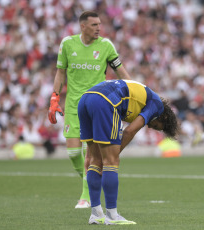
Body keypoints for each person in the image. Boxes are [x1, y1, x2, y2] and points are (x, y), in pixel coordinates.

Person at [48, 11, 131, 209]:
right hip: (73, 105)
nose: (98, 28)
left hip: (96, 105)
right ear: (82, 26)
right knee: (73, 153)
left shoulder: (106, 46)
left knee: (89, 153)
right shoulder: (67, 44)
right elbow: (60, 73)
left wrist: (133, 90)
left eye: (99, 24)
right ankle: (90, 180)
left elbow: (121, 71)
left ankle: (86, 196)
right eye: (94, 25)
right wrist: (54, 98)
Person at [78, 79, 179, 225]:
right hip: (106, 101)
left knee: (96, 161)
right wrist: (113, 155)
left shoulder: (145, 97)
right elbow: (130, 131)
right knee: (110, 162)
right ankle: (112, 216)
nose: (151, 127)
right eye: (157, 126)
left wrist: (96, 155)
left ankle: (96, 214)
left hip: (86, 99)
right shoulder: (156, 105)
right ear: (164, 117)